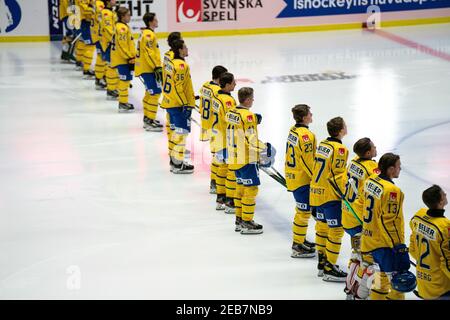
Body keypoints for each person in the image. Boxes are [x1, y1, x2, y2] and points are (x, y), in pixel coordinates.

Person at [361, 153, 410, 300]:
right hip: (385, 244)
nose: (400, 168)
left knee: (380, 281)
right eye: (398, 166)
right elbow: (390, 222)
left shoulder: (370, 181)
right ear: (390, 169)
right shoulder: (392, 191)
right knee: (399, 284)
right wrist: (398, 246)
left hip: (369, 239)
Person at [226, 87, 273, 234]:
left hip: (233, 157)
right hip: (247, 158)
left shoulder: (231, 112)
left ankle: (239, 220)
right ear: (247, 100)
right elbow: (251, 139)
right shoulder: (248, 116)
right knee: (251, 190)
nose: (253, 100)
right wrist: (264, 149)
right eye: (252, 98)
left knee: (240, 188)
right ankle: (247, 222)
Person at [310, 117, 348, 282]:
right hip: (330, 195)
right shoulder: (340, 149)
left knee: (322, 228)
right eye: (345, 126)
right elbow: (337, 176)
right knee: (336, 230)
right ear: (340, 131)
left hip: (316, 192)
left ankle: (322, 263)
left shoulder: (323, 144)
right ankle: (330, 267)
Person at [342, 138, 379, 299]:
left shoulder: (353, 163)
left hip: (347, 214)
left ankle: (350, 287)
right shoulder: (372, 168)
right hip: (361, 220)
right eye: (373, 147)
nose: (376, 148)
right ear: (368, 152)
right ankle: (365, 292)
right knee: (370, 260)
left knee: (357, 254)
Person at [285, 104, 316, 258]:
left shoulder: (293, 130)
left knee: (303, 211)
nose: (312, 115)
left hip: (293, 175)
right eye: (310, 114)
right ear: (304, 117)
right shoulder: (306, 136)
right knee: (303, 212)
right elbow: (308, 161)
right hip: (302, 179)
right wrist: (317, 179)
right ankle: (297, 245)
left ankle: (300, 239)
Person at [160, 39, 195, 173]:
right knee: (181, 135)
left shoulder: (170, 63)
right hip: (178, 105)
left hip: (170, 103)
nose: (187, 49)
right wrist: (185, 104)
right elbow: (179, 87)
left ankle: (174, 162)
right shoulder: (181, 65)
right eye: (185, 47)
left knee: (176, 134)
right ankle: (179, 164)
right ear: (180, 50)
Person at [409, 185, 450, 300]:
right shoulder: (445, 227)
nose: (446, 195)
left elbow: (412, 249)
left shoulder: (418, 216)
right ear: (441, 201)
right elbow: (447, 263)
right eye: (443, 194)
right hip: (441, 288)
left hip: (423, 285)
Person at [199, 65, 228, 194]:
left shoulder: (205, 85)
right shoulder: (218, 91)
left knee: (217, 155)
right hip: (216, 127)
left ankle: (215, 182)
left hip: (207, 124)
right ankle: (216, 182)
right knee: (219, 156)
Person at [211, 72, 236, 211]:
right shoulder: (228, 101)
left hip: (217, 137)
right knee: (230, 170)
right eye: (233, 83)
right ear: (227, 85)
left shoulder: (216, 96)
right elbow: (231, 121)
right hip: (226, 139)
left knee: (221, 169)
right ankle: (230, 202)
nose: (235, 84)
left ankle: (220, 198)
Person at [135, 12, 164, 132]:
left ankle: (148, 118)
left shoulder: (146, 33)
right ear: (151, 21)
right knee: (155, 93)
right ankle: (150, 120)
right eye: (155, 19)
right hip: (148, 69)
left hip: (146, 68)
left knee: (149, 93)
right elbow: (148, 53)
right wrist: (157, 66)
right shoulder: (148, 35)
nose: (157, 21)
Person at [111, 6, 136, 112]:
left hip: (121, 58)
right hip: (123, 59)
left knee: (125, 80)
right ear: (122, 16)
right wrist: (129, 56)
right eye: (128, 15)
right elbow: (122, 45)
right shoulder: (121, 28)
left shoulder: (121, 26)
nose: (130, 17)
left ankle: (123, 102)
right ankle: (123, 103)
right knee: (124, 80)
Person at [162, 32, 182, 159]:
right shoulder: (176, 61)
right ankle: (176, 155)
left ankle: (172, 150)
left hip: (168, 95)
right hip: (175, 99)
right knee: (177, 128)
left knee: (171, 125)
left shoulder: (166, 56)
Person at [100, 0, 118, 100]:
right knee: (111, 66)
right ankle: (110, 89)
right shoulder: (106, 13)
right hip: (108, 43)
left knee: (113, 66)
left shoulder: (111, 11)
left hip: (110, 42)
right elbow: (107, 29)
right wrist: (114, 40)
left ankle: (112, 86)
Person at [77, 0, 96, 78]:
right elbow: (85, 9)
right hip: (85, 23)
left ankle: (81, 63)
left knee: (84, 44)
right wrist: (94, 10)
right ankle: (86, 69)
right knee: (90, 46)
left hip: (85, 23)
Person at [92, 0, 107, 90]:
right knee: (101, 57)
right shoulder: (99, 4)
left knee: (103, 56)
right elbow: (101, 19)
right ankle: (99, 78)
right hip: (99, 35)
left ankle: (103, 76)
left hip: (98, 33)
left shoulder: (98, 3)